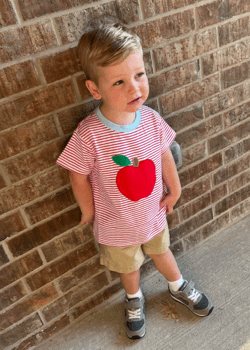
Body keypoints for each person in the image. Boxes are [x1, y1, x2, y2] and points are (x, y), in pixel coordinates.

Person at [56, 23, 213, 340]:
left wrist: (175, 189)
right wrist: (87, 211)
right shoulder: (90, 134)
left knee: (162, 252)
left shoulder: (151, 119)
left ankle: (177, 285)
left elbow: (165, 155)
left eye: (139, 75)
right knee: (128, 268)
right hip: (116, 224)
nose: (135, 89)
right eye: (119, 81)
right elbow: (78, 174)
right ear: (95, 90)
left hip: (153, 212)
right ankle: (134, 299)